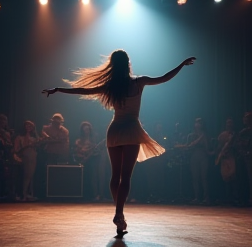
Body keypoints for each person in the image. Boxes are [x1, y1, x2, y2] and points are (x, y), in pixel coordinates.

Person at [42, 49, 195, 233]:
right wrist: (181, 64)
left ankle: (119, 215)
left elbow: (83, 90)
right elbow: (164, 77)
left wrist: (58, 89)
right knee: (126, 177)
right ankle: (119, 213)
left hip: (114, 131)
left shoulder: (111, 86)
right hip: (131, 130)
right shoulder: (139, 81)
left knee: (115, 176)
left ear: (112, 65)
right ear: (128, 63)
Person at [14, 120, 39, 201]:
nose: (28, 127)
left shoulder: (35, 138)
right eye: (27, 125)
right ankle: (23, 194)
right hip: (24, 157)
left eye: (30, 126)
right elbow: (16, 149)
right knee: (25, 175)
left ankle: (29, 193)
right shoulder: (19, 137)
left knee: (31, 175)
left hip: (32, 157)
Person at [186, 118, 210, 205]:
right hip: (194, 156)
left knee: (204, 177)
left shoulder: (205, 135)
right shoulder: (191, 135)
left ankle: (206, 197)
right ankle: (197, 197)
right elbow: (189, 146)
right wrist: (200, 138)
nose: (198, 124)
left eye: (200, 122)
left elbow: (207, 148)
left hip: (203, 156)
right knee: (195, 177)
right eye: (197, 122)